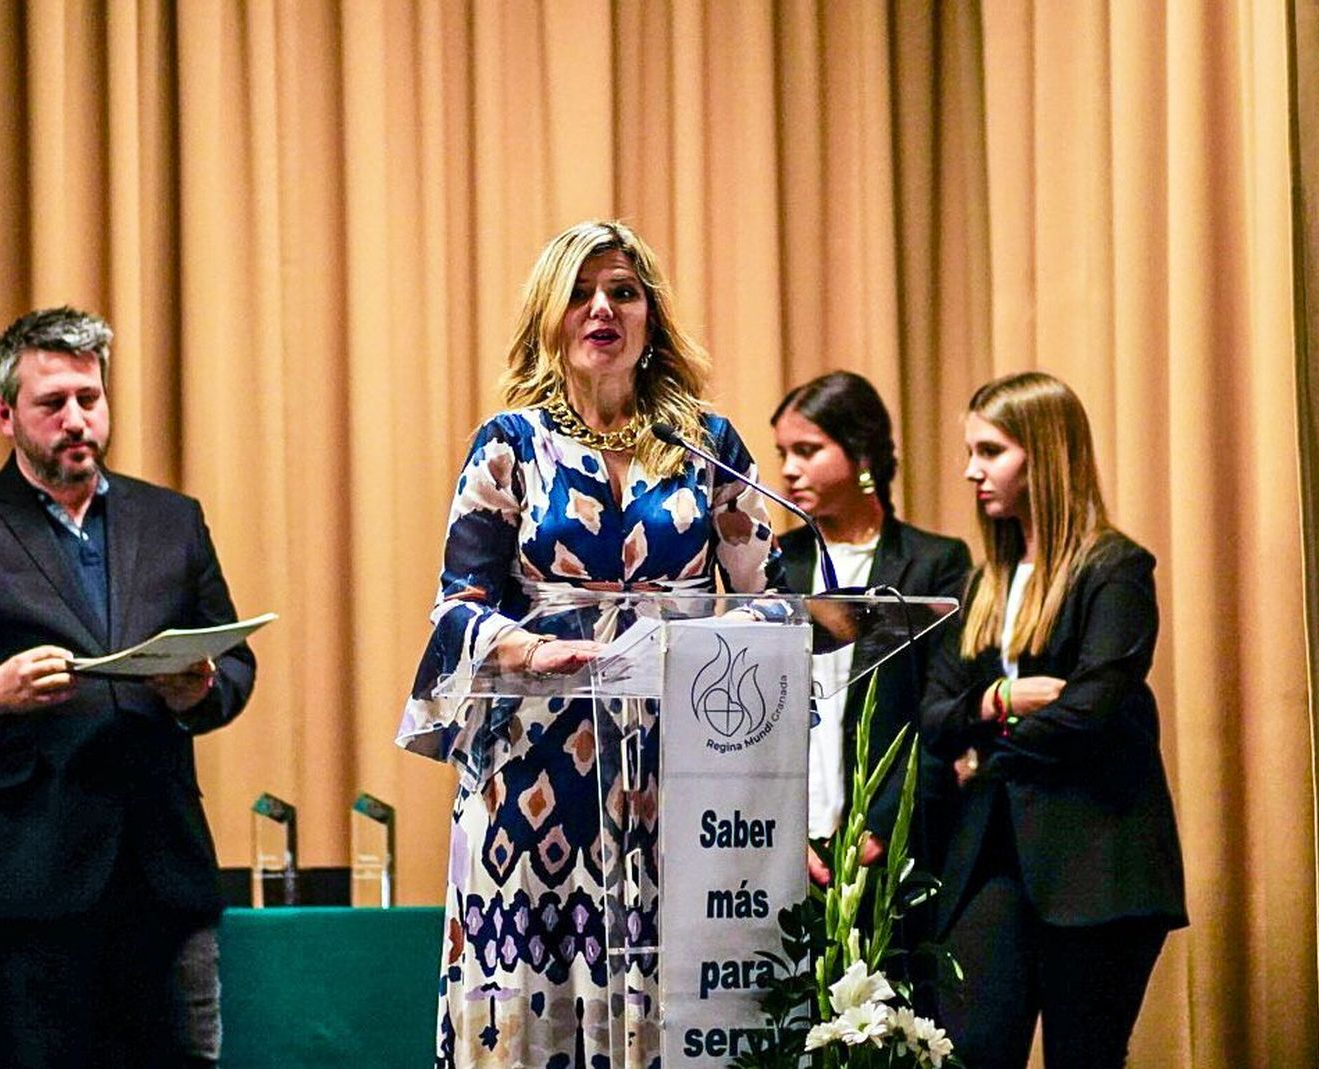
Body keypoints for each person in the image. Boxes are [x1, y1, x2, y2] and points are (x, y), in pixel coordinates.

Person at [397, 220, 781, 1068]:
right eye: (579, 292)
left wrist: (702, 644)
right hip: (530, 780)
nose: (600, 307)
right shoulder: (510, 446)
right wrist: (530, 651)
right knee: (530, 1011)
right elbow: (456, 608)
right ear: (550, 317)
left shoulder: (707, 446)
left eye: (622, 292)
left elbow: (776, 603)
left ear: (650, 319)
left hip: (676, 773)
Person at [0, 306, 257, 1069]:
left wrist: (199, 693)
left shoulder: (172, 518)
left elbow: (234, 660)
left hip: (164, 873)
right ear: (5, 413)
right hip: (21, 881)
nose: (77, 419)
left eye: (90, 397)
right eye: (53, 403)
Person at [920, 371, 1187, 1069]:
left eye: (990, 450)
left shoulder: (1114, 569)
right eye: (970, 451)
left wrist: (986, 756)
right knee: (970, 1047)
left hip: (1096, 859)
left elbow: (1088, 710)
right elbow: (936, 716)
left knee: (1084, 1055)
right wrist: (998, 701)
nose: (970, 470)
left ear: (1045, 454)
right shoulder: (983, 583)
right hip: (991, 852)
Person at [770, 371, 970, 885]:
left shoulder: (935, 564)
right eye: (783, 453)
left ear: (862, 456)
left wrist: (881, 826)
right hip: (786, 840)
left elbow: (940, 714)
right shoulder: (773, 563)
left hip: (888, 845)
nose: (789, 470)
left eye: (807, 451)